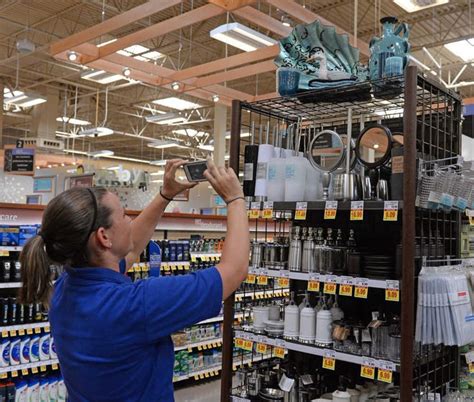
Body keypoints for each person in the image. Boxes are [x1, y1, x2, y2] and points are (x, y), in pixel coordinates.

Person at [19, 159, 249, 402]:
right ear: (103, 237)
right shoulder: (136, 304)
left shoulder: (66, 287)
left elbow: (130, 251)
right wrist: (235, 200)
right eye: (124, 215)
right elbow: (234, 270)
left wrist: (165, 195)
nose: (130, 220)